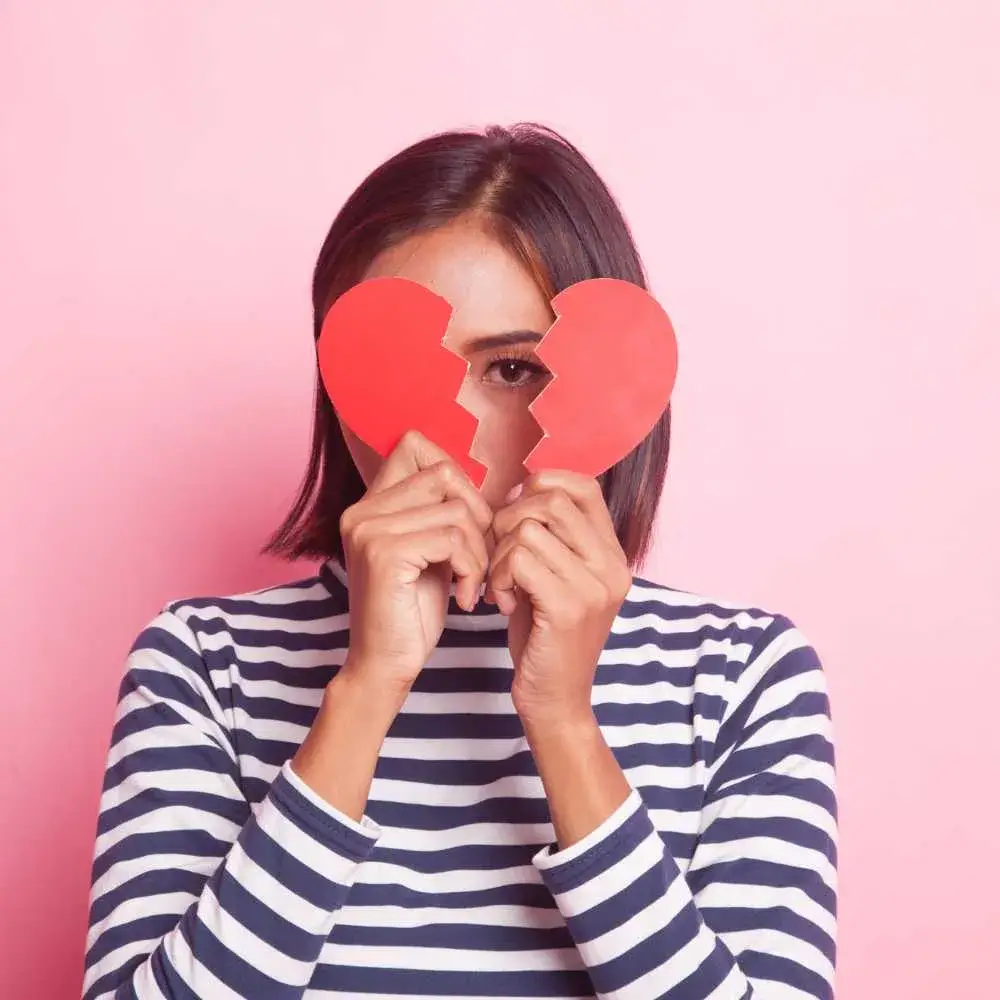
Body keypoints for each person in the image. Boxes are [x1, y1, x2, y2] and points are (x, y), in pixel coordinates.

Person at [82, 124, 837, 1000]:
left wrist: (563, 721)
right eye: (395, 368)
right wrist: (366, 689)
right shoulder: (204, 665)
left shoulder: (743, 677)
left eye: (513, 369)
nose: (458, 438)